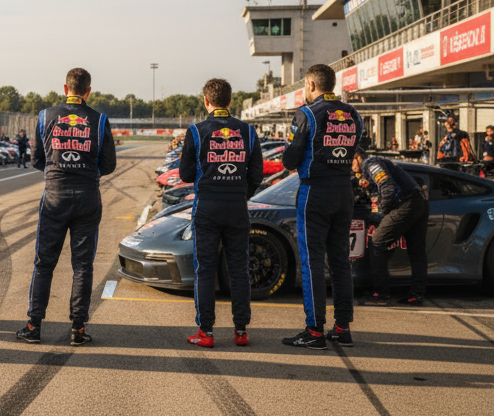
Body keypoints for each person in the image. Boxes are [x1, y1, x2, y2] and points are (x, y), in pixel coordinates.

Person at [16, 68, 116, 346]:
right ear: (88, 91)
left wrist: (59, 169)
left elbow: (38, 159)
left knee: (44, 263)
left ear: (65, 88)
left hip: (54, 196)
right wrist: (84, 169)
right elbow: (109, 165)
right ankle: (78, 330)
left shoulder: (46, 115)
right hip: (87, 196)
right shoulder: (99, 119)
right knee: (83, 265)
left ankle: (34, 326)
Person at [281, 64, 363, 350]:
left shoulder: (306, 114)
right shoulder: (353, 114)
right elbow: (354, 150)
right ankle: (342, 327)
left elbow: (290, 159)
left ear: (312, 85)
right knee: (340, 260)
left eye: (305, 86)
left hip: (315, 191)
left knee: (312, 260)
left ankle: (315, 331)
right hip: (344, 191)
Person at [178, 79, 264, 348]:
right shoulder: (248, 131)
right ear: (231, 101)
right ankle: (241, 331)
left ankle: (206, 333)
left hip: (207, 207)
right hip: (237, 207)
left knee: (204, 270)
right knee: (239, 269)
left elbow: (185, 174)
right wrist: (240, 193)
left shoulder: (196, 131)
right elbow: (257, 175)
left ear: (206, 101)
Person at [354, 138, 429, 313]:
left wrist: (383, 212)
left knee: (378, 241)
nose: (350, 168)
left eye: (349, 162)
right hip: (420, 202)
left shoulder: (369, 163)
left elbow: (387, 187)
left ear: (356, 157)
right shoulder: (373, 165)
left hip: (407, 203)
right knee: (417, 250)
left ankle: (381, 292)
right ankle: (417, 294)